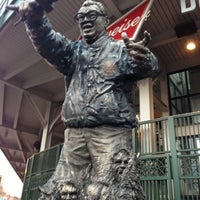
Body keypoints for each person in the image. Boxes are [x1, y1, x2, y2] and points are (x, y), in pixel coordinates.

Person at [7, 0, 158, 198]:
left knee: (112, 191)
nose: (85, 20)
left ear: (105, 20)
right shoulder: (73, 53)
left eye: (92, 16)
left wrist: (145, 59)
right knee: (61, 191)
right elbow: (49, 43)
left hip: (110, 134)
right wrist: (35, 21)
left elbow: (149, 66)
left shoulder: (120, 50)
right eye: (81, 17)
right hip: (75, 137)